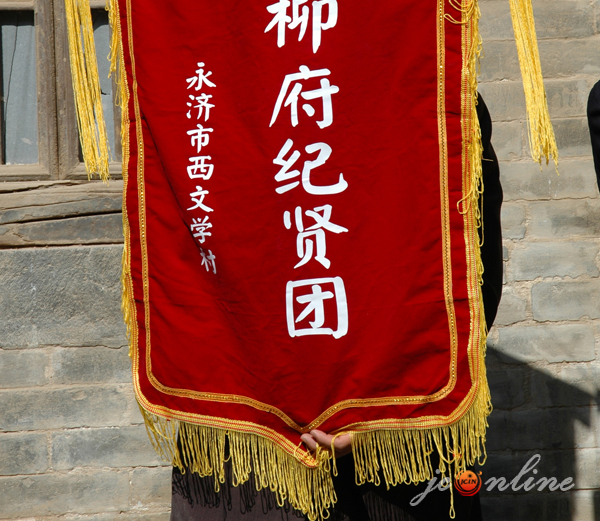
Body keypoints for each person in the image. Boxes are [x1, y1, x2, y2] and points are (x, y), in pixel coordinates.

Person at [171, 96, 503, 521]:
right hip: (242, 449)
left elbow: (468, 280)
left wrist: (379, 414)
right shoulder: (209, 92)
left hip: (398, 452)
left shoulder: (428, 81)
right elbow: (185, 274)